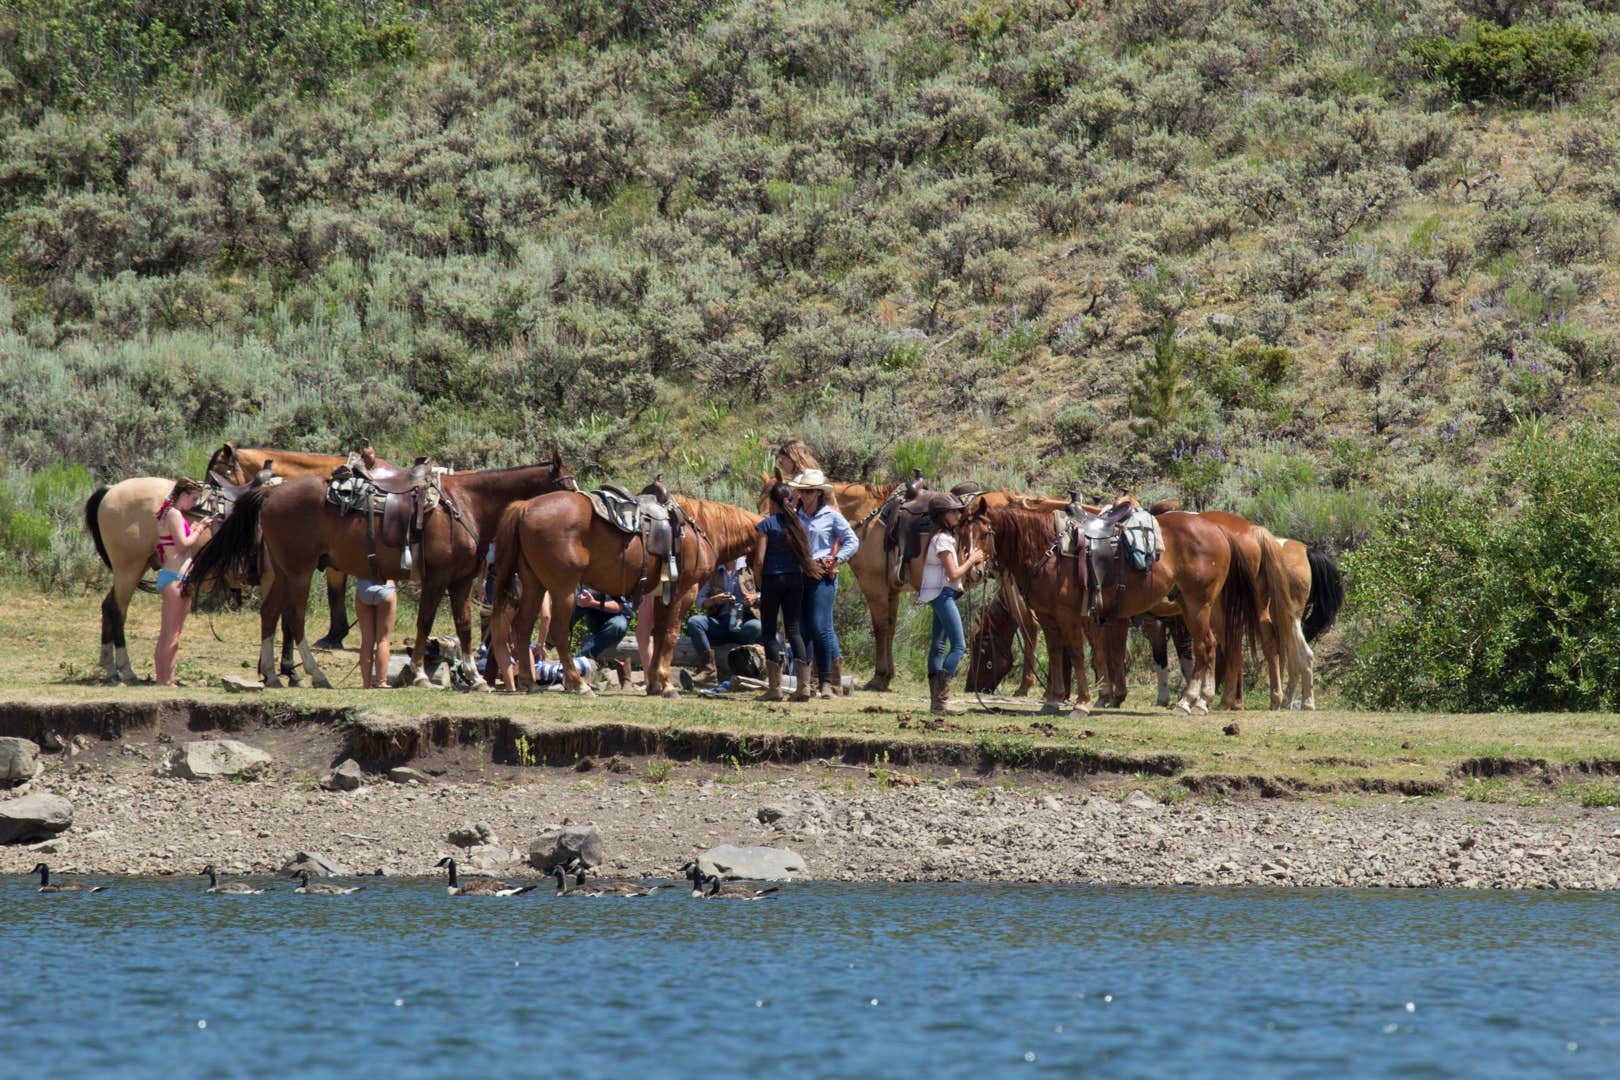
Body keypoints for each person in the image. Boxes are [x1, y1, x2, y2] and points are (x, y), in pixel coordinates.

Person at [790, 468, 859, 698]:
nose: (805, 496)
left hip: (822, 576)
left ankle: (827, 682)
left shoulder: (832, 515)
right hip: (798, 576)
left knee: (819, 627)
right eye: (803, 492)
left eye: (810, 492)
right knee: (802, 630)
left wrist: (837, 559)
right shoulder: (794, 516)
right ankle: (807, 683)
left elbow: (852, 540)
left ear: (819, 493)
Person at [918, 494, 988, 715]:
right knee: (959, 646)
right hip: (943, 594)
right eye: (953, 512)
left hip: (938, 594)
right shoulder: (943, 540)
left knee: (938, 647)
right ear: (942, 516)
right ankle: (941, 700)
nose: (958, 515)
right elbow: (953, 573)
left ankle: (937, 704)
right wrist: (971, 560)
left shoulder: (941, 538)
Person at [753, 481, 821, 701]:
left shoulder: (767, 525)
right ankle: (803, 687)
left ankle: (775, 689)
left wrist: (759, 583)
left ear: (772, 502)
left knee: (769, 632)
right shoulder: (798, 524)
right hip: (795, 579)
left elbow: (759, 561)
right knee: (794, 630)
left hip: (773, 579)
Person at [152, 477, 218, 686]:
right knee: (171, 635)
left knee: (171, 633)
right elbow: (182, 545)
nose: (194, 503)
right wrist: (199, 529)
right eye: (193, 498)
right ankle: (164, 680)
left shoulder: (169, 514)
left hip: (175, 576)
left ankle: (166, 679)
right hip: (176, 577)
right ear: (182, 495)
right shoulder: (174, 514)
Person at [682, 556, 763, 688]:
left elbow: (768, 593)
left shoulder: (750, 567)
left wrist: (755, 597)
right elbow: (699, 601)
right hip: (720, 621)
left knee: (757, 626)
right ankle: (709, 670)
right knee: (694, 621)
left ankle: (749, 670)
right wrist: (714, 600)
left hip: (744, 622)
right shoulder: (714, 571)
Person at [354, 577, 398, 689]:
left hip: (363, 587)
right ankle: (381, 681)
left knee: (367, 641)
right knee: (383, 640)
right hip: (386, 586)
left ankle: (366, 684)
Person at [572, 587, 630, 662]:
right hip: (594, 617)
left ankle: (578, 661)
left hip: (617, 616)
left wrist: (593, 603)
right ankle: (554, 638)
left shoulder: (618, 579)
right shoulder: (586, 578)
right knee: (586, 596)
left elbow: (618, 607)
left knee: (618, 625)